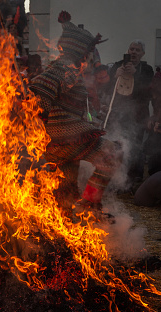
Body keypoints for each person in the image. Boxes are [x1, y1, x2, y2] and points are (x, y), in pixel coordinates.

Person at [29, 10, 122, 218]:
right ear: (80, 50)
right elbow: (41, 89)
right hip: (65, 136)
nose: (90, 56)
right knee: (112, 154)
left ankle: (65, 222)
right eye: (89, 51)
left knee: (67, 188)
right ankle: (89, 203)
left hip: (64, 138)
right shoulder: (63, 67)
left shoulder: (69, 68)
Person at [105, 39, 154, 186]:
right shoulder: (116, 66)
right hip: (119, 113)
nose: (133, 52)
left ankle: (134, 180)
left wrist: (136, 76)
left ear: (142, 54)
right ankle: (117, 178)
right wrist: (115, 77)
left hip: (137, 115)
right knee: (117, 144)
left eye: (137, 50)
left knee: (136, 146)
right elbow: (107, 90)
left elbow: (148, 91)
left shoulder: (147, 70)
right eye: (131, 49)